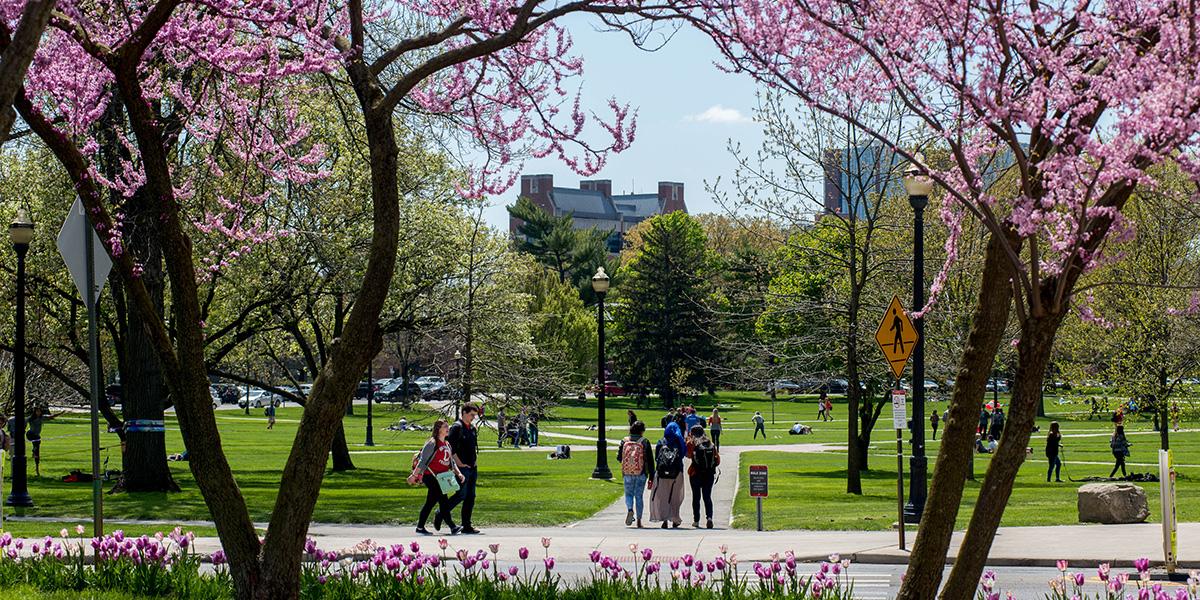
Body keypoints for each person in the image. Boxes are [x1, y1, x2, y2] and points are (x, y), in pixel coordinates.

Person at [408, 419, 464, 535]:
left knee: (430, 502)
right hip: (431, 476)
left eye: (448, 426)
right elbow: (423, 461)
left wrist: (458, 473)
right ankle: (452, 526)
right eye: (445, 426)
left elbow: (451, 462)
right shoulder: (432, 443)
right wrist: (414, 475)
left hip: (443, 477)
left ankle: (420, 527)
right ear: (438, 429)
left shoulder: (447, 444)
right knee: (443, 500)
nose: (448, 428)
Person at [438, 403, 481, 534]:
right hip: (462, 467)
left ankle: (466, 525)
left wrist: (474, 462)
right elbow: (452, 449)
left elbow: (473, 447)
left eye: (475, 415)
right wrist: (460, 464)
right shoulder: (457, 427)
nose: (473, 417)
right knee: (461, 494)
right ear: (464, 413)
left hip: (472, 467)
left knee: (470, 496)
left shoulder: (472, 428)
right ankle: (441, 513)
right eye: (471, 415)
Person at [617, 421, 655, 528]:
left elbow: (619, 458)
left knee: (628, 494)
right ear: (642, 431)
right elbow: (650, 461)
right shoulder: (644, 442)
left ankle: (630, 509)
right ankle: (639, 520)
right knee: (639, 496)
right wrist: (652, 475)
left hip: (627, 472)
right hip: (641, 473)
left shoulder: (624, 441)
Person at [650, 422, 687, 529]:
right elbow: (683, 454)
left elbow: (657, 457)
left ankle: (664, 519)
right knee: (675, 497)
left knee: (663, 497)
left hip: (662, 474)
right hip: (677, 472)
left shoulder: (661, 442)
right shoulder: (679, 442)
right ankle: (675, 519)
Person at [686, 424, 719, 529]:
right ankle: (709, 518)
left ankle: (696, 520)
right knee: (707, 497)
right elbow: (717, 461)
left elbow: (688, 455)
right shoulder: (710, 443)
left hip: (695, 473)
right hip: (709, 474)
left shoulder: (692, 443)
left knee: (696, 497)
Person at [27, 406, 63, 476]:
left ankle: (36, 464)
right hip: (30, 434)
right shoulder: (30, 418)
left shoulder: (42, 418)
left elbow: (51, 417)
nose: (38, 412)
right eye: (37, 411)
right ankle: (34, 450)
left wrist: (60, 413)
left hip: (37, 436)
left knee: (37, 446)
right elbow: (24, 421)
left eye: (39, 411)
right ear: (34, 412)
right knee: (37, 440)